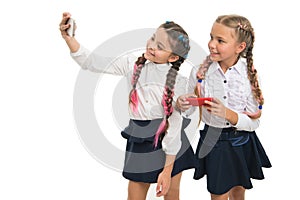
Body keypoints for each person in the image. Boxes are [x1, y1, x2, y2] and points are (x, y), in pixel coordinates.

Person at [59, 12, 195, 200]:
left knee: (171, 193)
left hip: (171, 144)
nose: (152, 45)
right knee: (135, 194)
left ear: (172, 58)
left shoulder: (179, 82)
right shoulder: (131, 64)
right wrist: (69, 39)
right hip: (140, 138)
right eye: (154, 38)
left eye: (160, 46)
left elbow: (175, 127)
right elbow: (91, 62)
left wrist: (167, 170)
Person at [176, 14, 271, 200]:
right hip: (214, 141)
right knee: (218, 193)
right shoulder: (199, 72)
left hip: (242, 140)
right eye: (211, 37)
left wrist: (228, 114)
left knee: (238, 190)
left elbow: (254, 123)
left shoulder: (248, 75)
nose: (212, 44)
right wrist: (183, 103)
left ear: (240, 47)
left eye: (220, 40)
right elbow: (190, 112)